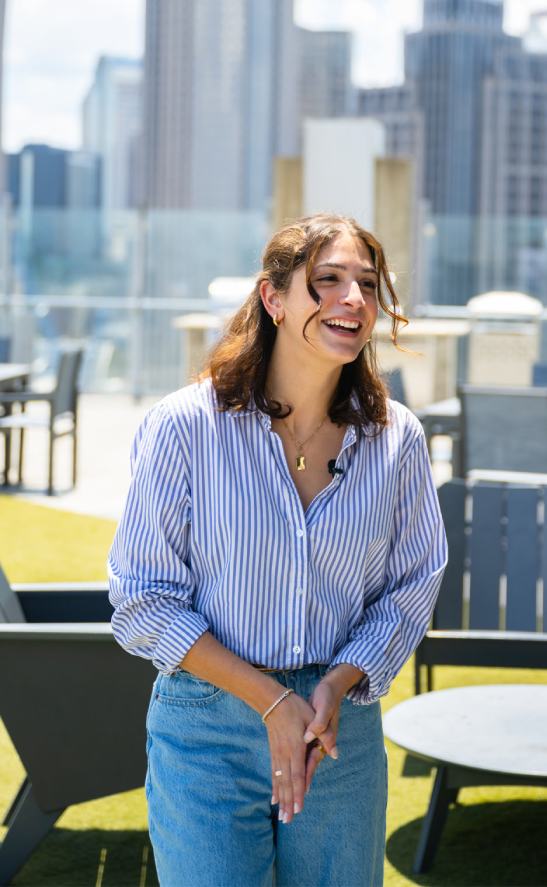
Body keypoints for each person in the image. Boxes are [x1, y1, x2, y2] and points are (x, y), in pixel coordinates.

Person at [108, 213, 447, 887]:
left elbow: (413, 586)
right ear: (274, 298)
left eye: (368, 285)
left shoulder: (398, 439)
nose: (353, 298)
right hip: (205, 724)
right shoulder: (185, 427)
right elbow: (142, 597)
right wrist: (268, 699)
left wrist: (336, 682)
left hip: (336, 732)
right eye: (328, 280)